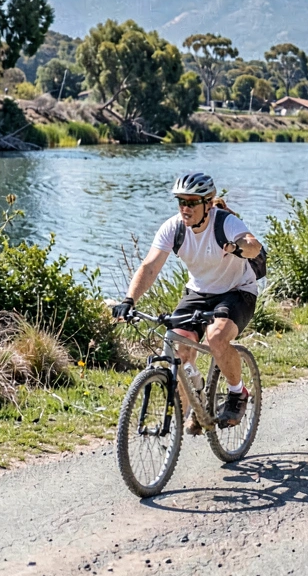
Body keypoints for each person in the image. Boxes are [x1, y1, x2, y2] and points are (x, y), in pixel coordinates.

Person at [112, 172, 262, 434]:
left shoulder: (225, 223)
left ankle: (238, 393)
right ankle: (195, 402)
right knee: (177, 346)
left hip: (237, 291)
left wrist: (238, 248)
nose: (185, 208)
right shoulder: (174, 227)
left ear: (207, 203)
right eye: (181, 201)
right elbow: (149, 267)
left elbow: (253, 245)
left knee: (216, 338)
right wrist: (129, 299)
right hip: (199, 292)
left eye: (191, 202)